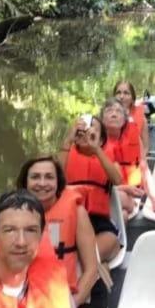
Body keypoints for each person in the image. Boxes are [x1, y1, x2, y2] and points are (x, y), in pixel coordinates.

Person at [16, 155, 109, 308]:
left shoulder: (77, 212)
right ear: (25, 182)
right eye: (35, 177)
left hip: (81, 296)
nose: (42, 183)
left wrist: (68, 306)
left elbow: (91, 270)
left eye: (49, 177)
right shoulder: (12, 215)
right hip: (36, 298)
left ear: (58, 182)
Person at [60, 113, 123, 263]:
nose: (86, 130)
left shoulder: (106, 159)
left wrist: (97, 150)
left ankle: (84, 263)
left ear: (101, 140)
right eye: (83, 127)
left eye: (92, 128)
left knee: (111, 241)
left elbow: (117, 179)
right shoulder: (66, 154)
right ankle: (92, 265)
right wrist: (68, 139)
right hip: (68, 219)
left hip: (97, 221)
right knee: (54, 239)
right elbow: (56, 177)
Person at [99, 97, 155, 217]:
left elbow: (144, 168)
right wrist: (124, 189)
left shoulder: (133, 137)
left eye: (118, 111)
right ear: (101, 119)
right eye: (109, 110)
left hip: (134, 194)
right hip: (108, 194)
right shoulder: (95, 143)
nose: (114, 114)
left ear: (124, 119)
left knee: (123, 215)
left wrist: (154, 199)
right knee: (121, 205)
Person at [113, 80, 150, 159]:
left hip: (135, 161)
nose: (121, 96)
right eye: (118, 93)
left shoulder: (142, 119)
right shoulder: (106, 117)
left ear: (132, 98)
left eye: (126, 93)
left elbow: (145, 148)